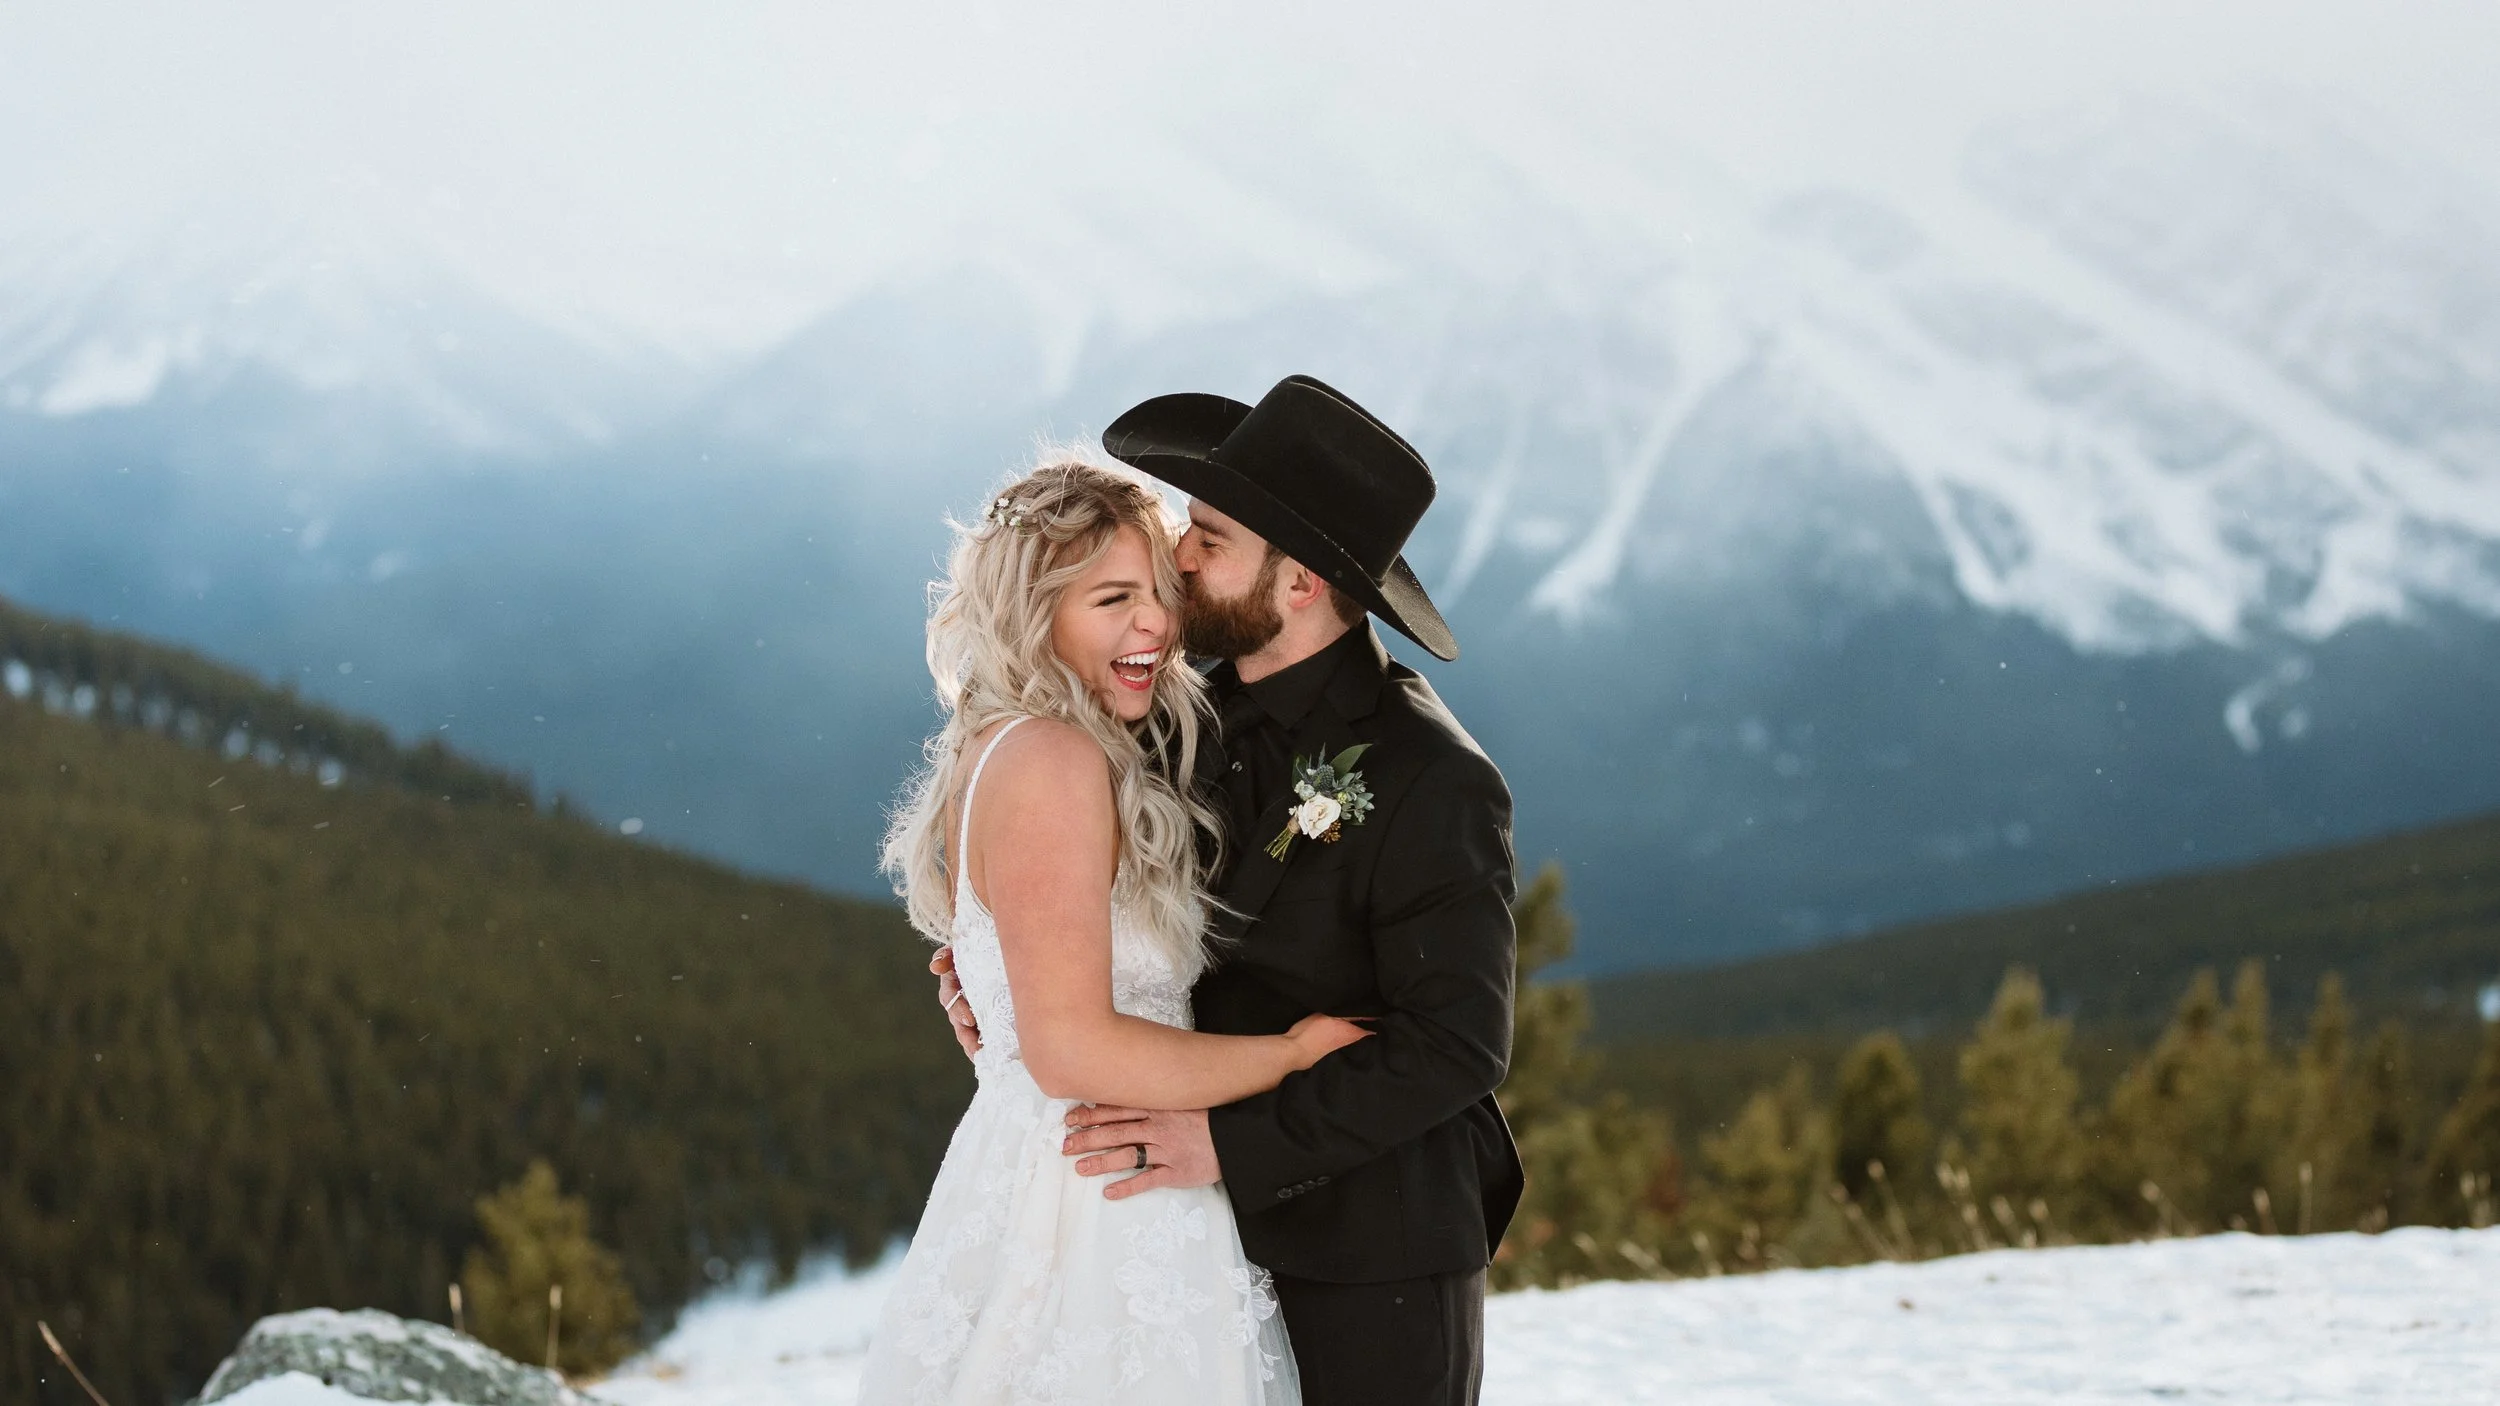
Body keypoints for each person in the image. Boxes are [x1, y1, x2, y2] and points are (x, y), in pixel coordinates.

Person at [936, 376, 1523, 1406]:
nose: (1178, 555)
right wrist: (992, 973)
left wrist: (1229, 1144)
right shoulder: (1161, 707)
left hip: (1366, 1254)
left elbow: (1457, 1044)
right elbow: (1052, 868)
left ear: (1297, 582)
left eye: (1209, 534)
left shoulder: (1432, 775)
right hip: (1167, 1249)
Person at [858, 459, 1369, 1406]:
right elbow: (1070, 1048)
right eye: (1112, 599)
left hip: (1077, 1173)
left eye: (1160, 593)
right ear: (1037, 614)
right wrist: (1292, 1057)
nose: (1158, 626)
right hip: (1096, 1201)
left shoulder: (1037, 738)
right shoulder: (1052, 759)